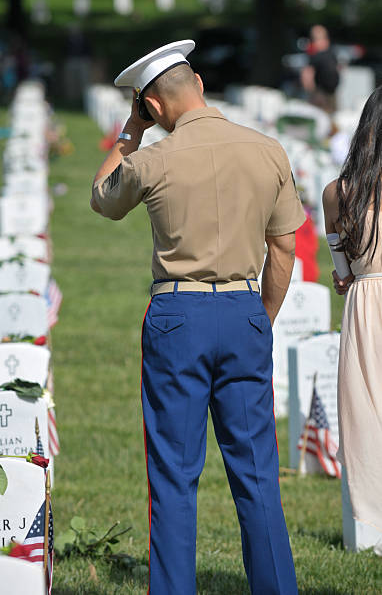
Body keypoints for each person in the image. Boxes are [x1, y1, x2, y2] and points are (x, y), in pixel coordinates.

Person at [91, 40, 306, 594]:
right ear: (200, 85)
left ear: (152, 106)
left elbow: (102, 198)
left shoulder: (152, 158)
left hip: (177, 314)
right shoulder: (268, 149)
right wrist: (261, 317)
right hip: (244, 308)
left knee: (173, 477)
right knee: (258, 476)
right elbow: (284, 246)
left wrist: (129, 134)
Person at [323, 85, 382, 535]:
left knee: (369, 411)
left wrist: (353, 271)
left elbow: (341, 272)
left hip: (366, 302)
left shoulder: (338, 193)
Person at [301, 25, 339, 114]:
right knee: (320, 117)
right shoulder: (315, 55)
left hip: (331, 92)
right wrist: (312, 92)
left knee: (332, 116)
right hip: (320, 93)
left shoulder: (330, 52)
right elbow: (307, 73)